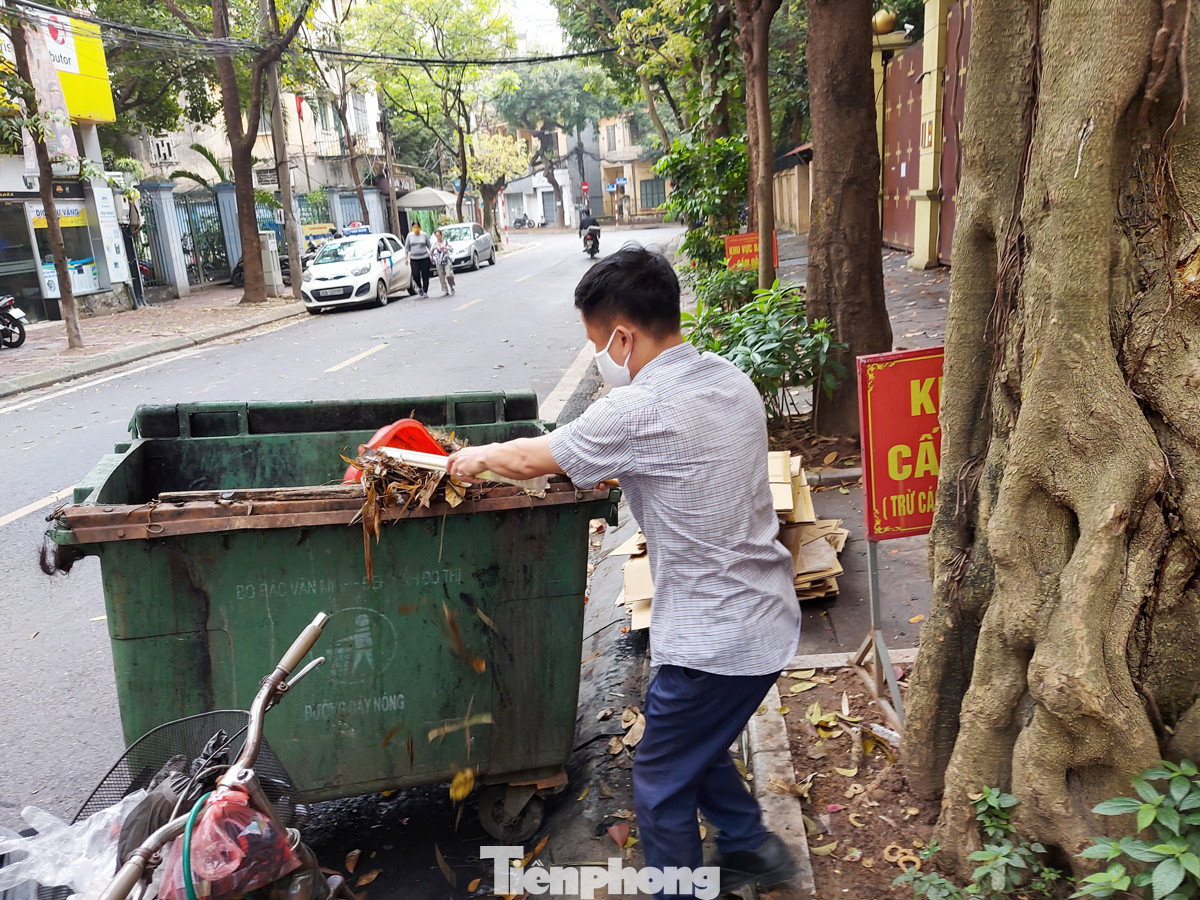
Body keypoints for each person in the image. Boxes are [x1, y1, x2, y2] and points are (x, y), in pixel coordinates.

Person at [447, 246, 800, 897]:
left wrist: (470, 460)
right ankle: (752, 847)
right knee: (696, 742)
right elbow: (689, 463)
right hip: (768, 621)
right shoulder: (728, 379)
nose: (600, 361)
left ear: (622, 335)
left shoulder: (636, 410)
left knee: (661, 782)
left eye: (596, 345)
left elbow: (532, 459)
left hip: (712, 642)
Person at [404, 222, 433, 298]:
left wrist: (432, 255)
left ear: (419, 227)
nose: (416, 229)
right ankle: (420, 287)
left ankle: (425, 291)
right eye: (414, 227)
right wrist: (406, 258)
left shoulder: (424, 235)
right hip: (414, 259)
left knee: (425, 275)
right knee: (415, 274)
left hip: (424, 258)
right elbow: (406, 248)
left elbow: (429, 246)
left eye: (417, 227)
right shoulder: (409, 236)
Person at [431, 229, 456, 297]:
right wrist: (433, 249)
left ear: (441, 235)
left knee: (448, 275)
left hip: (446, 260)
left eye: (439, 235)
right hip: (439, 261)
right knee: (441, 276)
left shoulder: (445, 242)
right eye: (436, 236)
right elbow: (431, 253)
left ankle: (451, 286)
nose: (438, 237)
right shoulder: (435, 244)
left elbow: (451, 249)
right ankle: (445, 290)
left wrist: (445, 247)